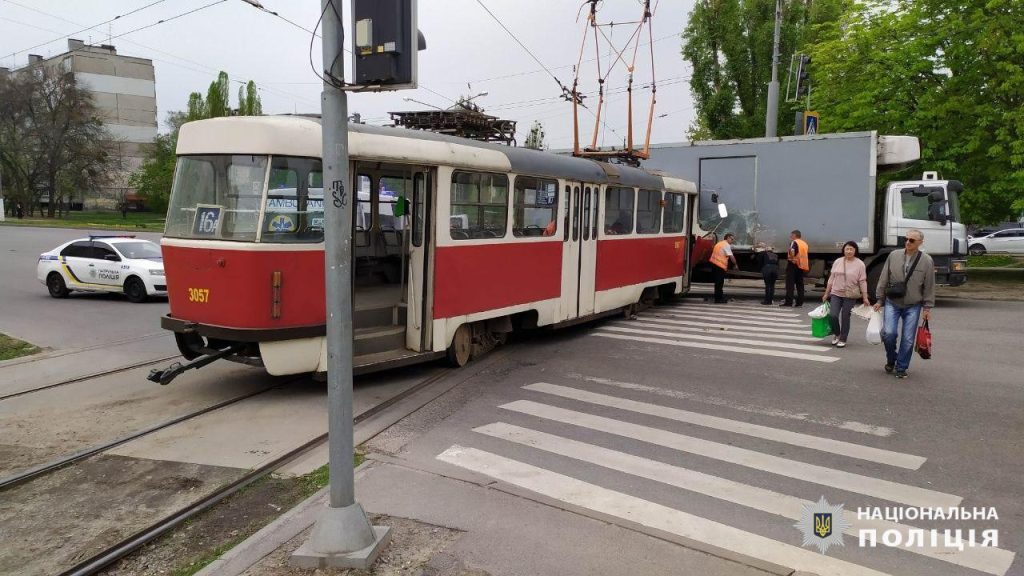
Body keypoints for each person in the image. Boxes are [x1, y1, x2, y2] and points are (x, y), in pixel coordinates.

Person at [873, 229, 934, 379]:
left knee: (907, 339)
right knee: (889, 334)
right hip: (892, 302)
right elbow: (883, 278)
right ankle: (891, 358)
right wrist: (880, 299)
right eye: (906, 239)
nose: (907, 242)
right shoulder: (894, 256)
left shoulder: (926, 260)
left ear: (920, 242)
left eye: (912, 240)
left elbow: (929, 285)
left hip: (913, 304)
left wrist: (927, 307)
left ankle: (901, 367)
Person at [822, 241, 871, 347]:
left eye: (851, 249)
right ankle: (837, 334)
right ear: (843, 250)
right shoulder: (838, 261)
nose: (849, 251)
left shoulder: (860, 264)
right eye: (847, 249)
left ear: (855, 251)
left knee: (845, 316)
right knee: (833, 315)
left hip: (850, 295)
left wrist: (865, 297)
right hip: (836, 293)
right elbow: (831, 278)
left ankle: (843, 338)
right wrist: (826, 293)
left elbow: (862, 281)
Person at [782, 229, 809, 307]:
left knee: (790, 285)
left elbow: (792, 250)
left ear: (795, 235)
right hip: (801, 266)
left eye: (791, 235)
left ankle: (788, 302)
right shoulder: (804, 243)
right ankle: (800, 302)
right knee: (800, 285)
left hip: (793, 265)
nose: (790, 236)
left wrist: (792, 258)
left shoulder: (794, 242)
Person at [709, 233, 737, 304]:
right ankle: (718, 299)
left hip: (715, 264)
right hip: (720, 266)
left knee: (718, 283)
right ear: (727, 238)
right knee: (719, 283)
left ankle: (719, 297)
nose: (732, 240)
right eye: (731, 239)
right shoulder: (726, 245)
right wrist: (735, 264)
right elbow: (731, 257)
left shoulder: (720, 243)